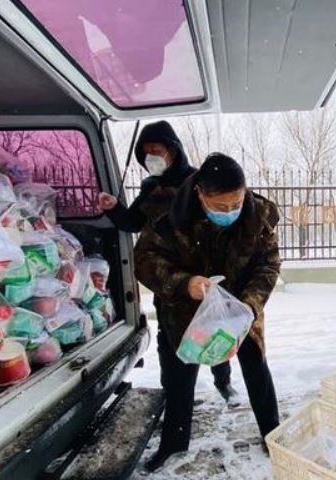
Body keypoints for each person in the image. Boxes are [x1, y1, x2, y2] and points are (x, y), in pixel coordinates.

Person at [134, 152, 281, 472]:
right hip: (186, 312)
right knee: (180, 377)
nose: (229, 212)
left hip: (241, 310)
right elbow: (144, 262)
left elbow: (268, 264)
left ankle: (273, 436)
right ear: (200, 194)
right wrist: (185, 284)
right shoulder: (170, 217)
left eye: (236, 203)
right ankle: (173, 445)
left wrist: (249, 305)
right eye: (219, 206)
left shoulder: (258, 218)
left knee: (256, 368)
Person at [98, 121, 238, 406]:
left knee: (213, 328)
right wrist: (113, 209)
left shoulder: (197, 181)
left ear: (173, 150)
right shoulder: (151, 187)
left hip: (202, 271)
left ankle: (223, 381)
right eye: (146, 152)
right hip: (166, 276)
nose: (152, 157)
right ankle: (174, 396)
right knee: (170, 340)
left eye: (157, 150)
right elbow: (134, 222)